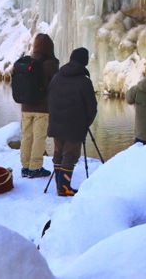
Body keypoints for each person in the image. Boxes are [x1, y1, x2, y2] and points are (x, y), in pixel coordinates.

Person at [47, 46, 98, 196]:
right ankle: (63, 188)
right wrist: (85, 124)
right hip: (74, 126)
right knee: (70, 155)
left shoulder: (57, 77)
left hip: (56, 123)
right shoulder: (84, 81)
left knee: (58, 154)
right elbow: (92, 107)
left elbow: (49, 99)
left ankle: (60, 185)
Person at [19, 33, 60, 179]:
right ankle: (35, 167)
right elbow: (56, 86)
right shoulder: (50, 64)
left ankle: (25, 166)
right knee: (39, 138)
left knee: (27, 137)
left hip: (25, 107)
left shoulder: (27, 62)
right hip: (42, 109)